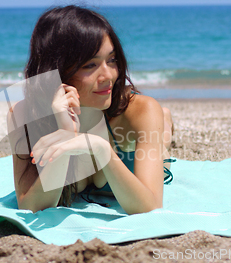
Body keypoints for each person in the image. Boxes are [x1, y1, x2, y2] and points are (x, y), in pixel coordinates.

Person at [9, 5, 174, 215]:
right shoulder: (23, 115)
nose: (108, 76)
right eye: (90, 65)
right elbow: (31, 206)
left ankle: (165, 121)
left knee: (161, 132)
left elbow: (149, 207)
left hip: (125, 128)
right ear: (56, 69)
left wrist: (101, 149)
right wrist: (66, 135)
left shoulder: (141, 111)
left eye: (112, 60)